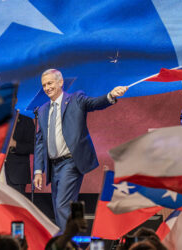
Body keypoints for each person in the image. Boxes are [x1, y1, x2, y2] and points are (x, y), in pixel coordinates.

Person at [33, 68, 128, 231]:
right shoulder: (42, 110)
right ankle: (72, 240)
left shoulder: (76, 99)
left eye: (50, 83)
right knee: (60, 208)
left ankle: (66, 243)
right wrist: (37, 171)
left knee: (62, 205)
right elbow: (40, 142)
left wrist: (111, 95)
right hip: (53, 166)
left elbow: (95, 103)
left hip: (71, 162)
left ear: (60, 82)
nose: (47, 88)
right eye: (44, 85)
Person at [5, 113, 35, 196]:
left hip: (16, 174)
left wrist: (15, 144)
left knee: (15, 207)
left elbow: (34, 147)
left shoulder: (26, 121)